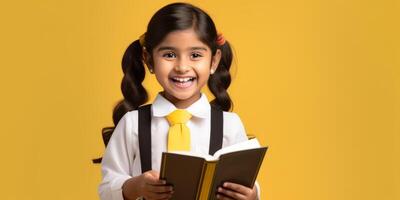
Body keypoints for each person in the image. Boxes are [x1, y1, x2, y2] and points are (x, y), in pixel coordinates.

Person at [99, 2, 260, 200]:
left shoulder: (230, 124)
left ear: (214, 61)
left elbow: (248, 183)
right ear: (149, 60)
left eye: (195, 55)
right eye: (169, 55)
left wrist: (251, 195)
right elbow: (107, 189)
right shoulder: (132, 124)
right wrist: (136, 186)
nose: (182, 67)